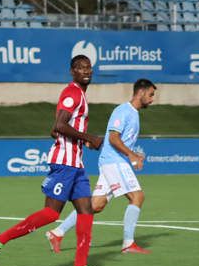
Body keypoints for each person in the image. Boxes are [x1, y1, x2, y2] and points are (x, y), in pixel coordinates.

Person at [0, 55, 104, 266]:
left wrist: (82, 141)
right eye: (80, 68)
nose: (86, 71)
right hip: (64, 164)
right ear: (72, 71)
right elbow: (59, 126)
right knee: (50, 213)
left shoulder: (79, 95)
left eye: (88, 67)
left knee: (86, 211)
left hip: (76, 164)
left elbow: (54, 129)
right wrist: (90, 137)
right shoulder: (72, 93)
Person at [45, 79, 157, 254]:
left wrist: (133, 153)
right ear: (140, 92)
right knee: (137, 197)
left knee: (95, 205)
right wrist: (131, 154)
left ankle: (57, 233)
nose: (152, 99)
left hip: (113, 161)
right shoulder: (123, 111)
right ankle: (128, 244)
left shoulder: (133, 113)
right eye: (150, 94)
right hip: (114, 161)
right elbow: (113, 138)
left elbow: (120, 140)